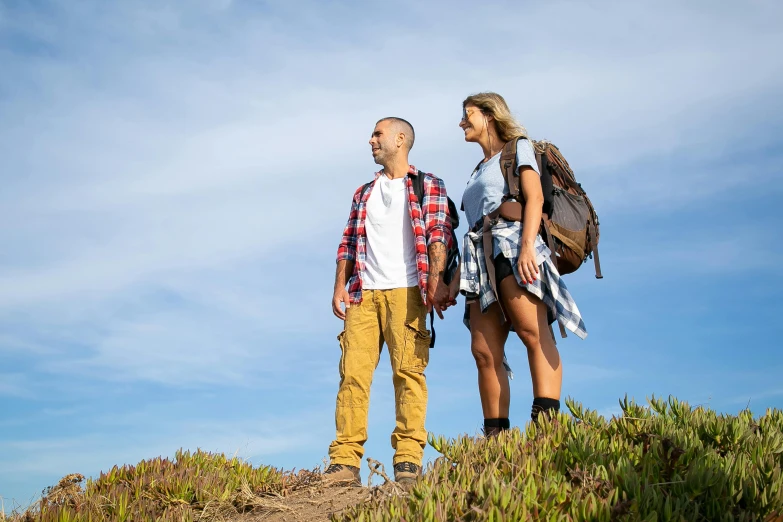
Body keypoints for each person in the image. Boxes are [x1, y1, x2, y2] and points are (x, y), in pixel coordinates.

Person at [324, 117, 454, 486]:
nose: (371, 140)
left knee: (409, 374)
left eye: (378, 134)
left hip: (408, 291)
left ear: (400, 139)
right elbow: (348, 242)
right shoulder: (363, 193)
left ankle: (408, 460)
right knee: (352, 375)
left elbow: (438, 235)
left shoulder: (427, 184)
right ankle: (345, 462)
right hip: (363, 293)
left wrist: (434, 280)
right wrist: (339, 286)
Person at [456, 92, 587, 437]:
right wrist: (453, 280)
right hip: (478, 259)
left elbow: (535, 198)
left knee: (532, 331)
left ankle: (546, 429)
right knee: (483, 351)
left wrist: (528, 247)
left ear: (488, 115)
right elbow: (473, 223)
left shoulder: (517, 148)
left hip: (512, 246)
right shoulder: (477, 170)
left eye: (467, 115)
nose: (461, 123)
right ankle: (495, 439)